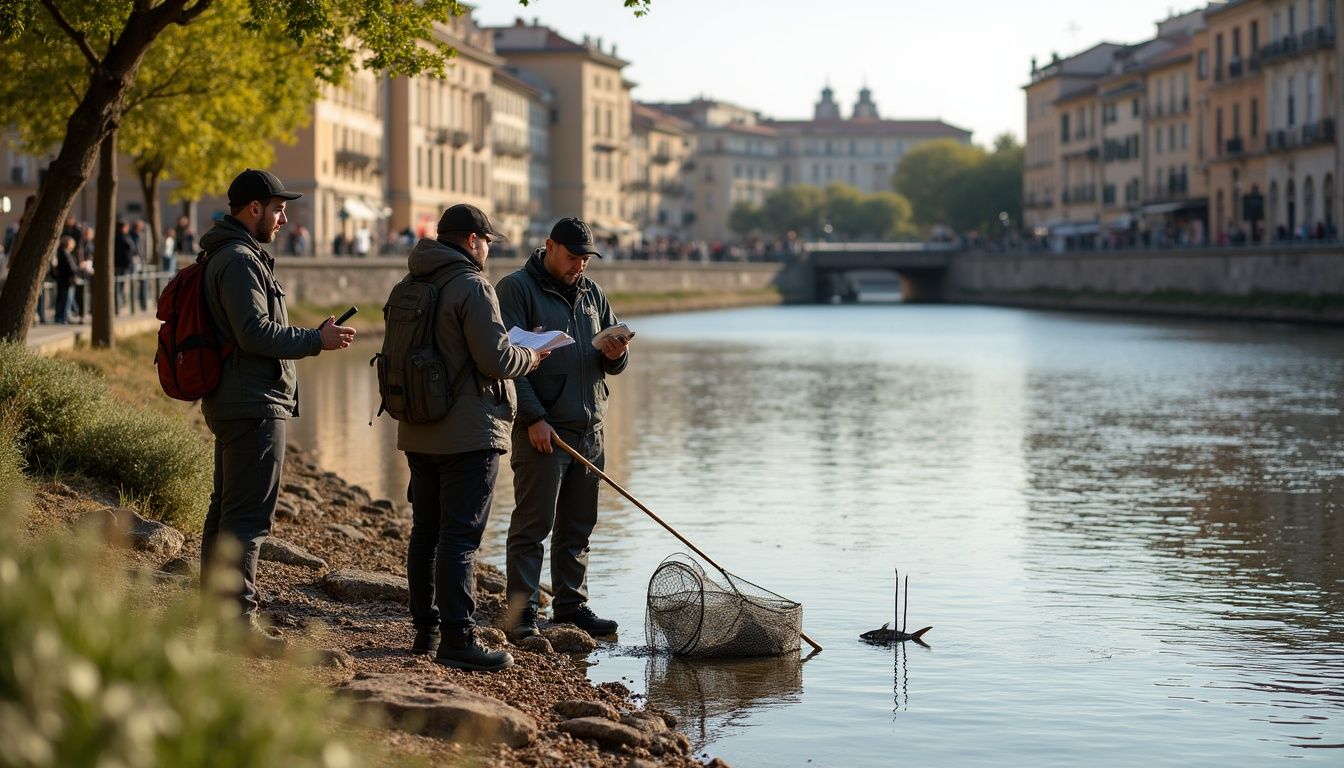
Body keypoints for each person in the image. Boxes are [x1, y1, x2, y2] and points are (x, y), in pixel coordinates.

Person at [198, 168, 356, 636]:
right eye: (279, 208)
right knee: (246, 517)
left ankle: (215, 612)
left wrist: (311, 333)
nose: (284, 218)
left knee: (224, 510)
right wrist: (314, 339)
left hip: (237, 401)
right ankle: (236, 621)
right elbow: (253, 333)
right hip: (253, 405)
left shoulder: (226, 253)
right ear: (254, 209)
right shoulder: (240, 259)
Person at [398, 203, 543, 672]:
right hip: (468, 433)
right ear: (469, 241)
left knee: (426, 531)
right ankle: (458, 640)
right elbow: (497, 360)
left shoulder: (411, 282)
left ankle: (427, 628)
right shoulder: (472, 286)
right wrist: (531, 356)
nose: (488, 251)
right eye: (486, 242)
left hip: (418, 427)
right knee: (460, 538)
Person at [496, 217, 634, 641]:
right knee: (533, 525)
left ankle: (571, 606)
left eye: (586, 259)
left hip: (590, 430)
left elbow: (613, 365)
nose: (580, 266)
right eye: (573, 257)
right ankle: (520, 613)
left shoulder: (593, 293)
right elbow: (507, 363)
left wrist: (616, 354)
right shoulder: (516, 289)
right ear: (549, 246)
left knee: (579, 525)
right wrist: (534, 418)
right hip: (543, 431)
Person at [53, 235, 79, 324]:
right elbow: (71, 268)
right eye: (72, 244)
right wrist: (78, 269)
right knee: (65, 300)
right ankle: (63, 318)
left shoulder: (63, 253)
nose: (73, 246)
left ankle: (62, 317)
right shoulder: (65, 254)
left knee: (64, 299)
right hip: (66, 281)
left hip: (65, 280)